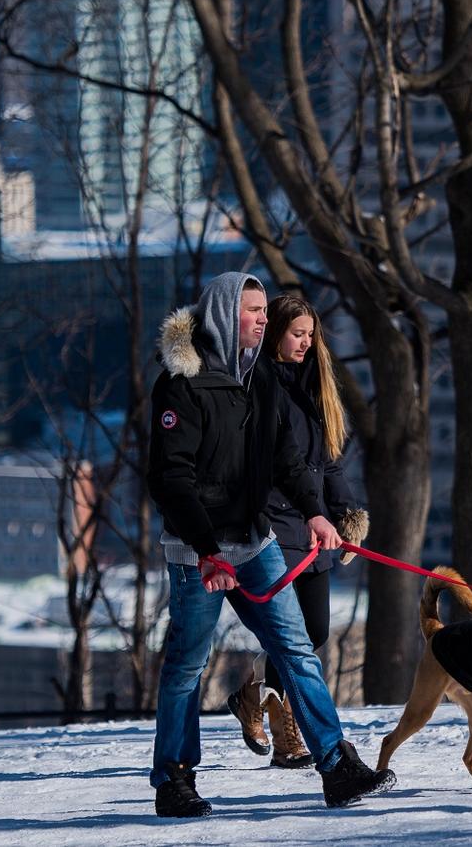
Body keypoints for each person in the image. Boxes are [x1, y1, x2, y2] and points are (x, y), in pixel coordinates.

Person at [146, 272, 395, 817]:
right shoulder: (182, 385)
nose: (263, 319)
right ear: (223, 313)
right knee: (187, 664)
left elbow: (286, 456)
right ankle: (174, 779)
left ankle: (336, 764)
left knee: (297, 647)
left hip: (256, 543)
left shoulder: (258, 377)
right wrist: (207, 550)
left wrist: (315, 512)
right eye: (253, 310)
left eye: (264, 311)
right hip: (198, 552)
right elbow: (170, 479)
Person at [225, 293, 369, 768]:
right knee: (290, 639)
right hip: (276, 525)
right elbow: (266, 464)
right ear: (274, 333)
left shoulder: (315, 385)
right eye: (296, 334)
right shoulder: (258, 381)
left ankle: (252, 695)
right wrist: (301, 515)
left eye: (310, 335)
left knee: (316, 630)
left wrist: (346, 516)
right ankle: (288, 735)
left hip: (314, 526)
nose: (305, 343)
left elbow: (330, 461)